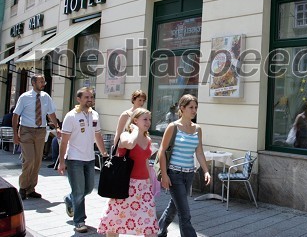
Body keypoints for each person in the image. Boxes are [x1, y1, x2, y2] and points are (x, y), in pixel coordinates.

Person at [98, 108, 159, 236]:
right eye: (145, 119)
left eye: (149, 119)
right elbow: (130, 144)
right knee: (115, 222)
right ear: (135, 121)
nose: (148, 122)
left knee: (149, 223)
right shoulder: (125, 135)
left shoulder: (147, 139)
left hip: (143, 186)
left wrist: (150, 181)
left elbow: (145, 160)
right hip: (125, 184)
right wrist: (135, 130)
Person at [157, 94, 211, 237]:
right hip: (174, 174)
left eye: (196, 108)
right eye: (191, 107)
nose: (194, 110)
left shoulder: (197, 129)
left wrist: (206, 171)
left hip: (189, 174)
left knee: (175, 206)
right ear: (182, 108)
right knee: (184, 213)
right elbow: (161, 151)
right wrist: (164, 175)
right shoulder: (173, 127)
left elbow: (199, 152)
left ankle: (159, 231)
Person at [58, 87, 108, 233]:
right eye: (86, 97)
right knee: (79, 191)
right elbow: (64, 141)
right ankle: (79, 221)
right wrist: (62, 161)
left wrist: (104, 153)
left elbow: (97, 135)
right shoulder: (71, 116)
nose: (89, 100)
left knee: (87, 188)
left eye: (91, 97)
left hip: (90, 159)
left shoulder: (95, 115)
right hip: (74, 159)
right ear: (78, 99)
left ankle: (69, 198)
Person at [12, 74, 59, 200]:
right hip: (26, 130)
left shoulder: (46, 97)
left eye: (44, 81)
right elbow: (15, 116)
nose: (43, 83)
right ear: (33, 83)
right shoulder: (24, 97)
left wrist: (57, 127)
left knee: (37, 161)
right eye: (41, 81)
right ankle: (23, 187)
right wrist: (15, 134)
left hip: (40, 131)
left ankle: (31, 188)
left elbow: (51, 113)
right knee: (30, 160)